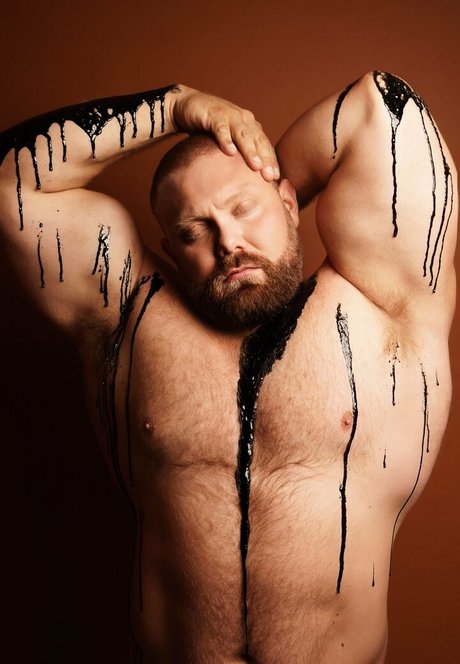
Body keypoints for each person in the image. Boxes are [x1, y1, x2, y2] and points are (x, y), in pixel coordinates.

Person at [0, 71, 456, 663]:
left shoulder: (382, 303)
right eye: (195, 230)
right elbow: (11, 183)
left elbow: (382, 105)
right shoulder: (127, 317)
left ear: (288, 201)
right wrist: (176, 107)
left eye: (245, 209)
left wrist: (253, 153)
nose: (229, 241)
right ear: (170, 248)